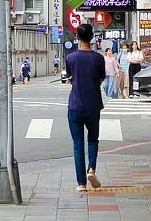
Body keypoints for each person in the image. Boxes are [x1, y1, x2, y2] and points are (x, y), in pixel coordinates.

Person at [65, 23, 105, 192]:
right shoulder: (98, 58)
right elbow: (101, 78)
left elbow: (70, 76)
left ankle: (81, 183)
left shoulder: (71, 58)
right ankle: (92, 169)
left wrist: (73, 79)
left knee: (77, 144)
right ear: (91, 37)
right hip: (93, 104)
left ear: (78, 37)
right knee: (93, 140)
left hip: (75, 105)